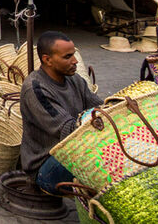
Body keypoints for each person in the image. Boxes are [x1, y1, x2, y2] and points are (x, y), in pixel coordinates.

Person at [20, 31, 103, 195]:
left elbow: (99, 107)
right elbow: (67, 130)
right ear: (47, 60)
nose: (75, 61)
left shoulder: (74, 80)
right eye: (67, 57)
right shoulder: (36, 88)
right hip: (46, 165)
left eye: (73, 55)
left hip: (75, 149)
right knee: (103, 163)